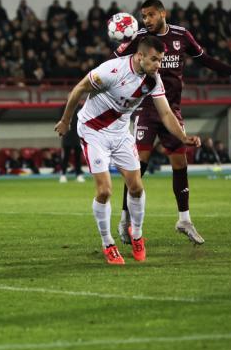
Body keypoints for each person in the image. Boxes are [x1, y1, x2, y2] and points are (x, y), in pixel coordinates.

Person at [113, 0, 231, 245]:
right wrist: (122, 46)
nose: (146, 20)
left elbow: (205, 59)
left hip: (172, 110)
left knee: (180, 163)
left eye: (150, 15)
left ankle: (184, 219)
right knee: (138, 168)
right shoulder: (138, 37)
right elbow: (114, 62)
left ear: (163, 13)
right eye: (144, 16)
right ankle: (125, 218)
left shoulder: (181, 35)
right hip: (145, 108)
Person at [55, 36, 201, 265]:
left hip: (121, 133)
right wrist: (65, 121)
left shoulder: (153, 79)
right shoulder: (112, 70)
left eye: (161, 60)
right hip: (93, 132)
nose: (158, 65)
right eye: (154, 59)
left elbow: (165, 114)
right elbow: (78, 89)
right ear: (140, 56)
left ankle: (137, 235)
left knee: (136, 187)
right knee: (104, 191)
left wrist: (183, 137)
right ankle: (108, 244)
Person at [59, 105, 84, 183]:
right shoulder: (63, 107)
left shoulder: (81, 107)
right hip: (67, 135)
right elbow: (60, 120)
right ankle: (63, 175)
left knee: (77, 157)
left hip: (78, 135)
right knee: (66, 157)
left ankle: (79, 175)